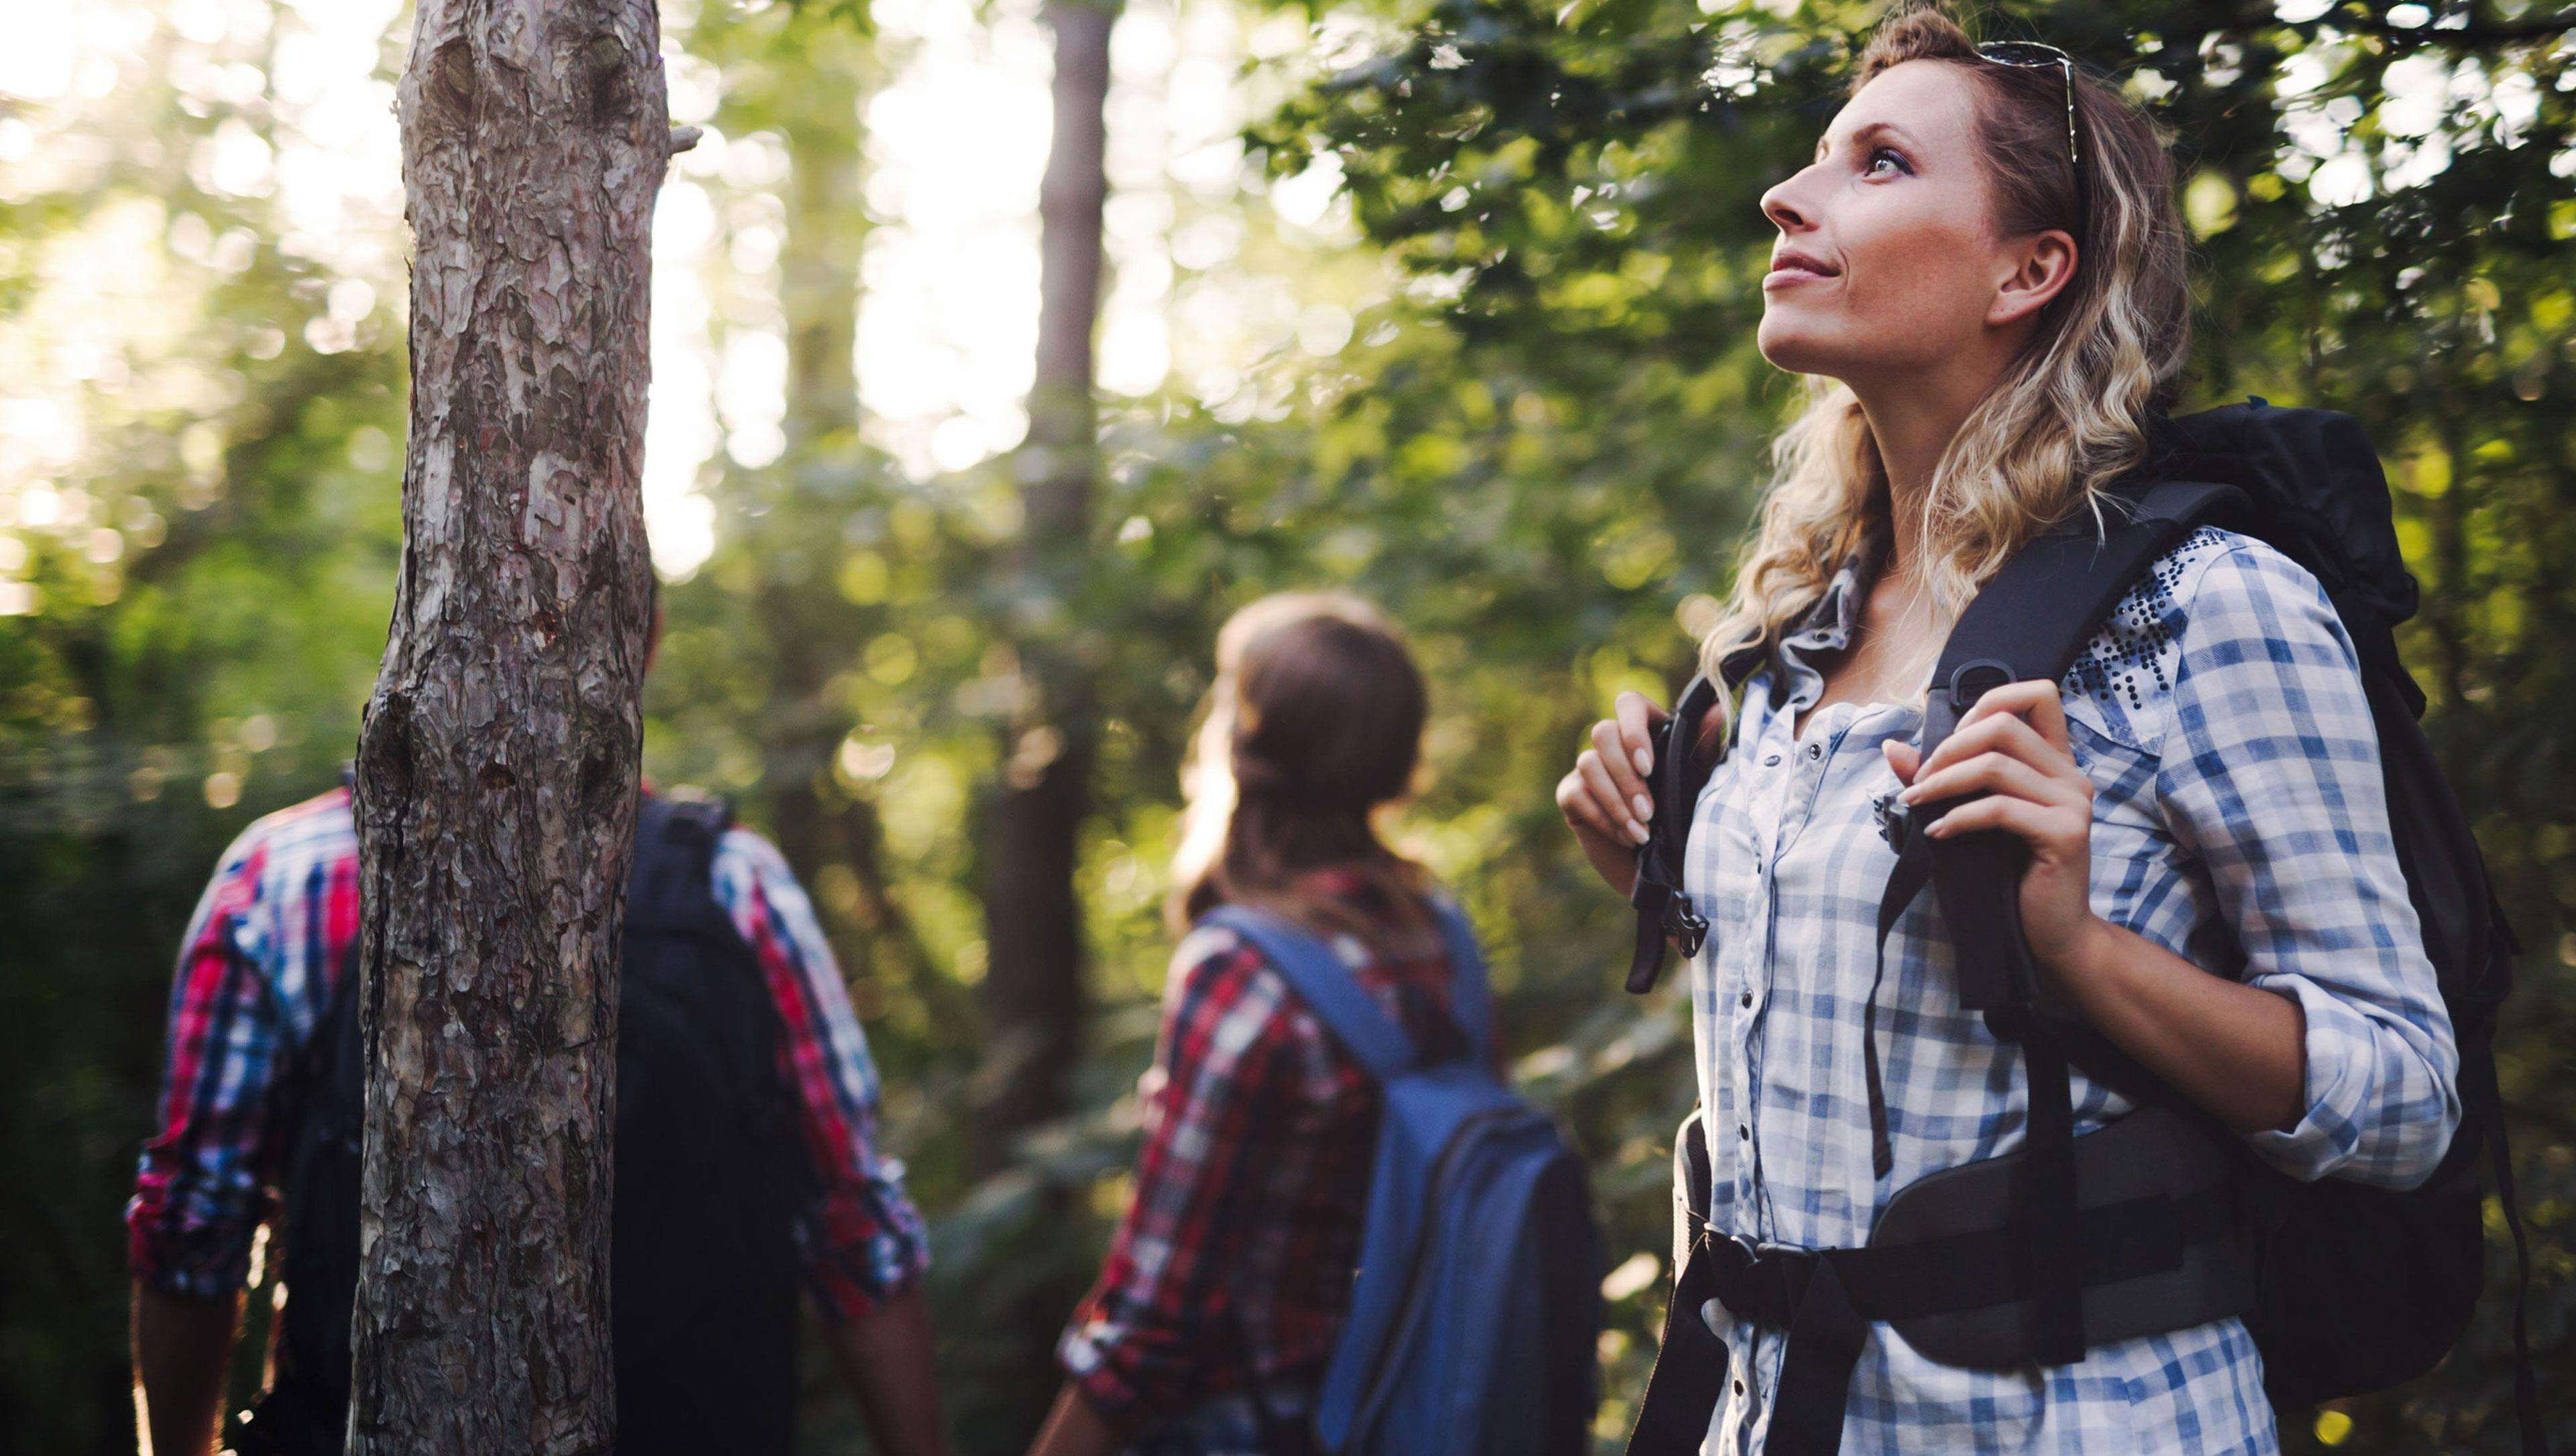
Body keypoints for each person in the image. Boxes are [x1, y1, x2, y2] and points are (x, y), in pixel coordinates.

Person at [1557, 6, 2458, 1451]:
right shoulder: (1792, 629)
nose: (1791, 195)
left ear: (2031, 270)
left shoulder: (2207, 605)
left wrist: (2082, 947)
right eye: (1813, 160)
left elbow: (2404, 1092)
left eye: (1881, 163)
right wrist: (1665, 873)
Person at [126, 601, 951, 1456]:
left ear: (418, 615)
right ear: (648, 644)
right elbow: (856, 1232)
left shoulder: (278, 883)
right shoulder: (737, 885)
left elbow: (194, 1227)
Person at [1030, 592, 1489, 1456]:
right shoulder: (1441, 934)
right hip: (1423, 1403)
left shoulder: (1242, 970)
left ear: (1239, 747)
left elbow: (1154, 1313)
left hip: (1265, 1425)